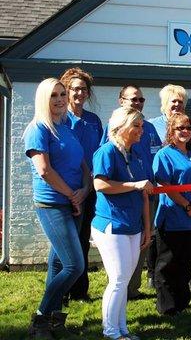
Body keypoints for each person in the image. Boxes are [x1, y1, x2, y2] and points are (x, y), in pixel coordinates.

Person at [24, 78, 89, 338]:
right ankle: (40, 319)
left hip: (73, 201)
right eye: (54, 95)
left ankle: (52, 324)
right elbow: (44, 170)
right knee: (75, 266)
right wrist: (71, 196)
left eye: (63, 94)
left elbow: (83, 163)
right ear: (43, 98)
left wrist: (84, 189)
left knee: (59, 264)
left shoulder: (66, 127)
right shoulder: (38, 128)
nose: (61, 99)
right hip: (52, 204)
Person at [92, 106, 152, 340]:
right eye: (136, 126)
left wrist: (147, 228)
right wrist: (134, 185)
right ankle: (110, 331)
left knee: (124, 281)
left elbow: (145, 192)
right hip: (111, 225)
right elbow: (101, 185)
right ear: (120, 127)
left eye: (141, 126)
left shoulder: (135, 155)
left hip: (133, 226)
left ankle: (122, 329)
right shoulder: (106, 152)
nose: (141, 131)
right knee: (117, 280)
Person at [100, 84, 161, 298]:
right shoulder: (113, 130)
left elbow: (156, 156)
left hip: (146, 194)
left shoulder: (150, 128)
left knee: (143, 242)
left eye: (141, 100)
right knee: (120, 254)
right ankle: (119, 289)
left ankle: (132, 289)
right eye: (133, 99)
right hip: (120, 201)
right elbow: (103, 172)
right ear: (121, 101)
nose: (137, 103)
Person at [152, 113, 191, 315]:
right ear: (171, 131)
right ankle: (167, 306)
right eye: (180, 128)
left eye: (188, 128)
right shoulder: (164, 155)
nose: (185, 131)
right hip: (173, 218)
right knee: (168, 264)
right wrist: (186, 205)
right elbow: (165, 185)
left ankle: (183, 303)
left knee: (185, 263)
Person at [60, 67, 103, 303]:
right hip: (66, 190)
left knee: (83, 239)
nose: (79, 93)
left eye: (83, 89)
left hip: (89, 189)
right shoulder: (60, 120)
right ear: (67, 91)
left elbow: (97, 155)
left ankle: (79, 291)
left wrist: (90, 186)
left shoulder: (93, 120)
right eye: (75, 89)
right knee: (66, 243)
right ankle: (61, 291)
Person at [148, 84, 191, 150]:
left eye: (180, 102)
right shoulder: (151, 125)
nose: (177, 104)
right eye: (174, 101)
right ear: (165, 103)